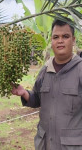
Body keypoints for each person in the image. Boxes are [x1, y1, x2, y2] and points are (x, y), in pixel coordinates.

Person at [11, 19, 82, 150]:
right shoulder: (45, 70)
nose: (60, 40)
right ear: (51, 41)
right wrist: (24, 93)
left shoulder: (80, 70)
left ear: (73, 40)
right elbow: (37, 99)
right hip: (44, 144)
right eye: (56, 37)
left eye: (65, 36)